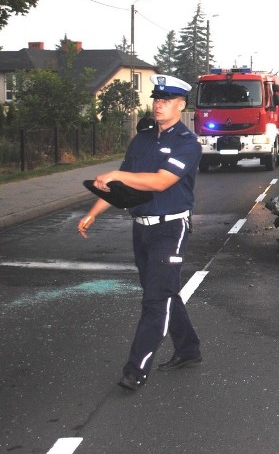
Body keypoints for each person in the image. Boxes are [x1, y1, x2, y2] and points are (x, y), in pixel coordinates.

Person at [78, 74, 203, 390]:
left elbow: (161, 181)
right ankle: (188, 348)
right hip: (141, 230)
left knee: (155, 299)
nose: (159, 105)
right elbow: (119, 185)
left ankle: (136, 370)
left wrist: (118, 173)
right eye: (156, 99)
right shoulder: (142, 140)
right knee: (163, 290)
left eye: (166, 100)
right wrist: (93, 212)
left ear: (180, 104)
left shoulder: (187, 144)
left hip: (171, 228)